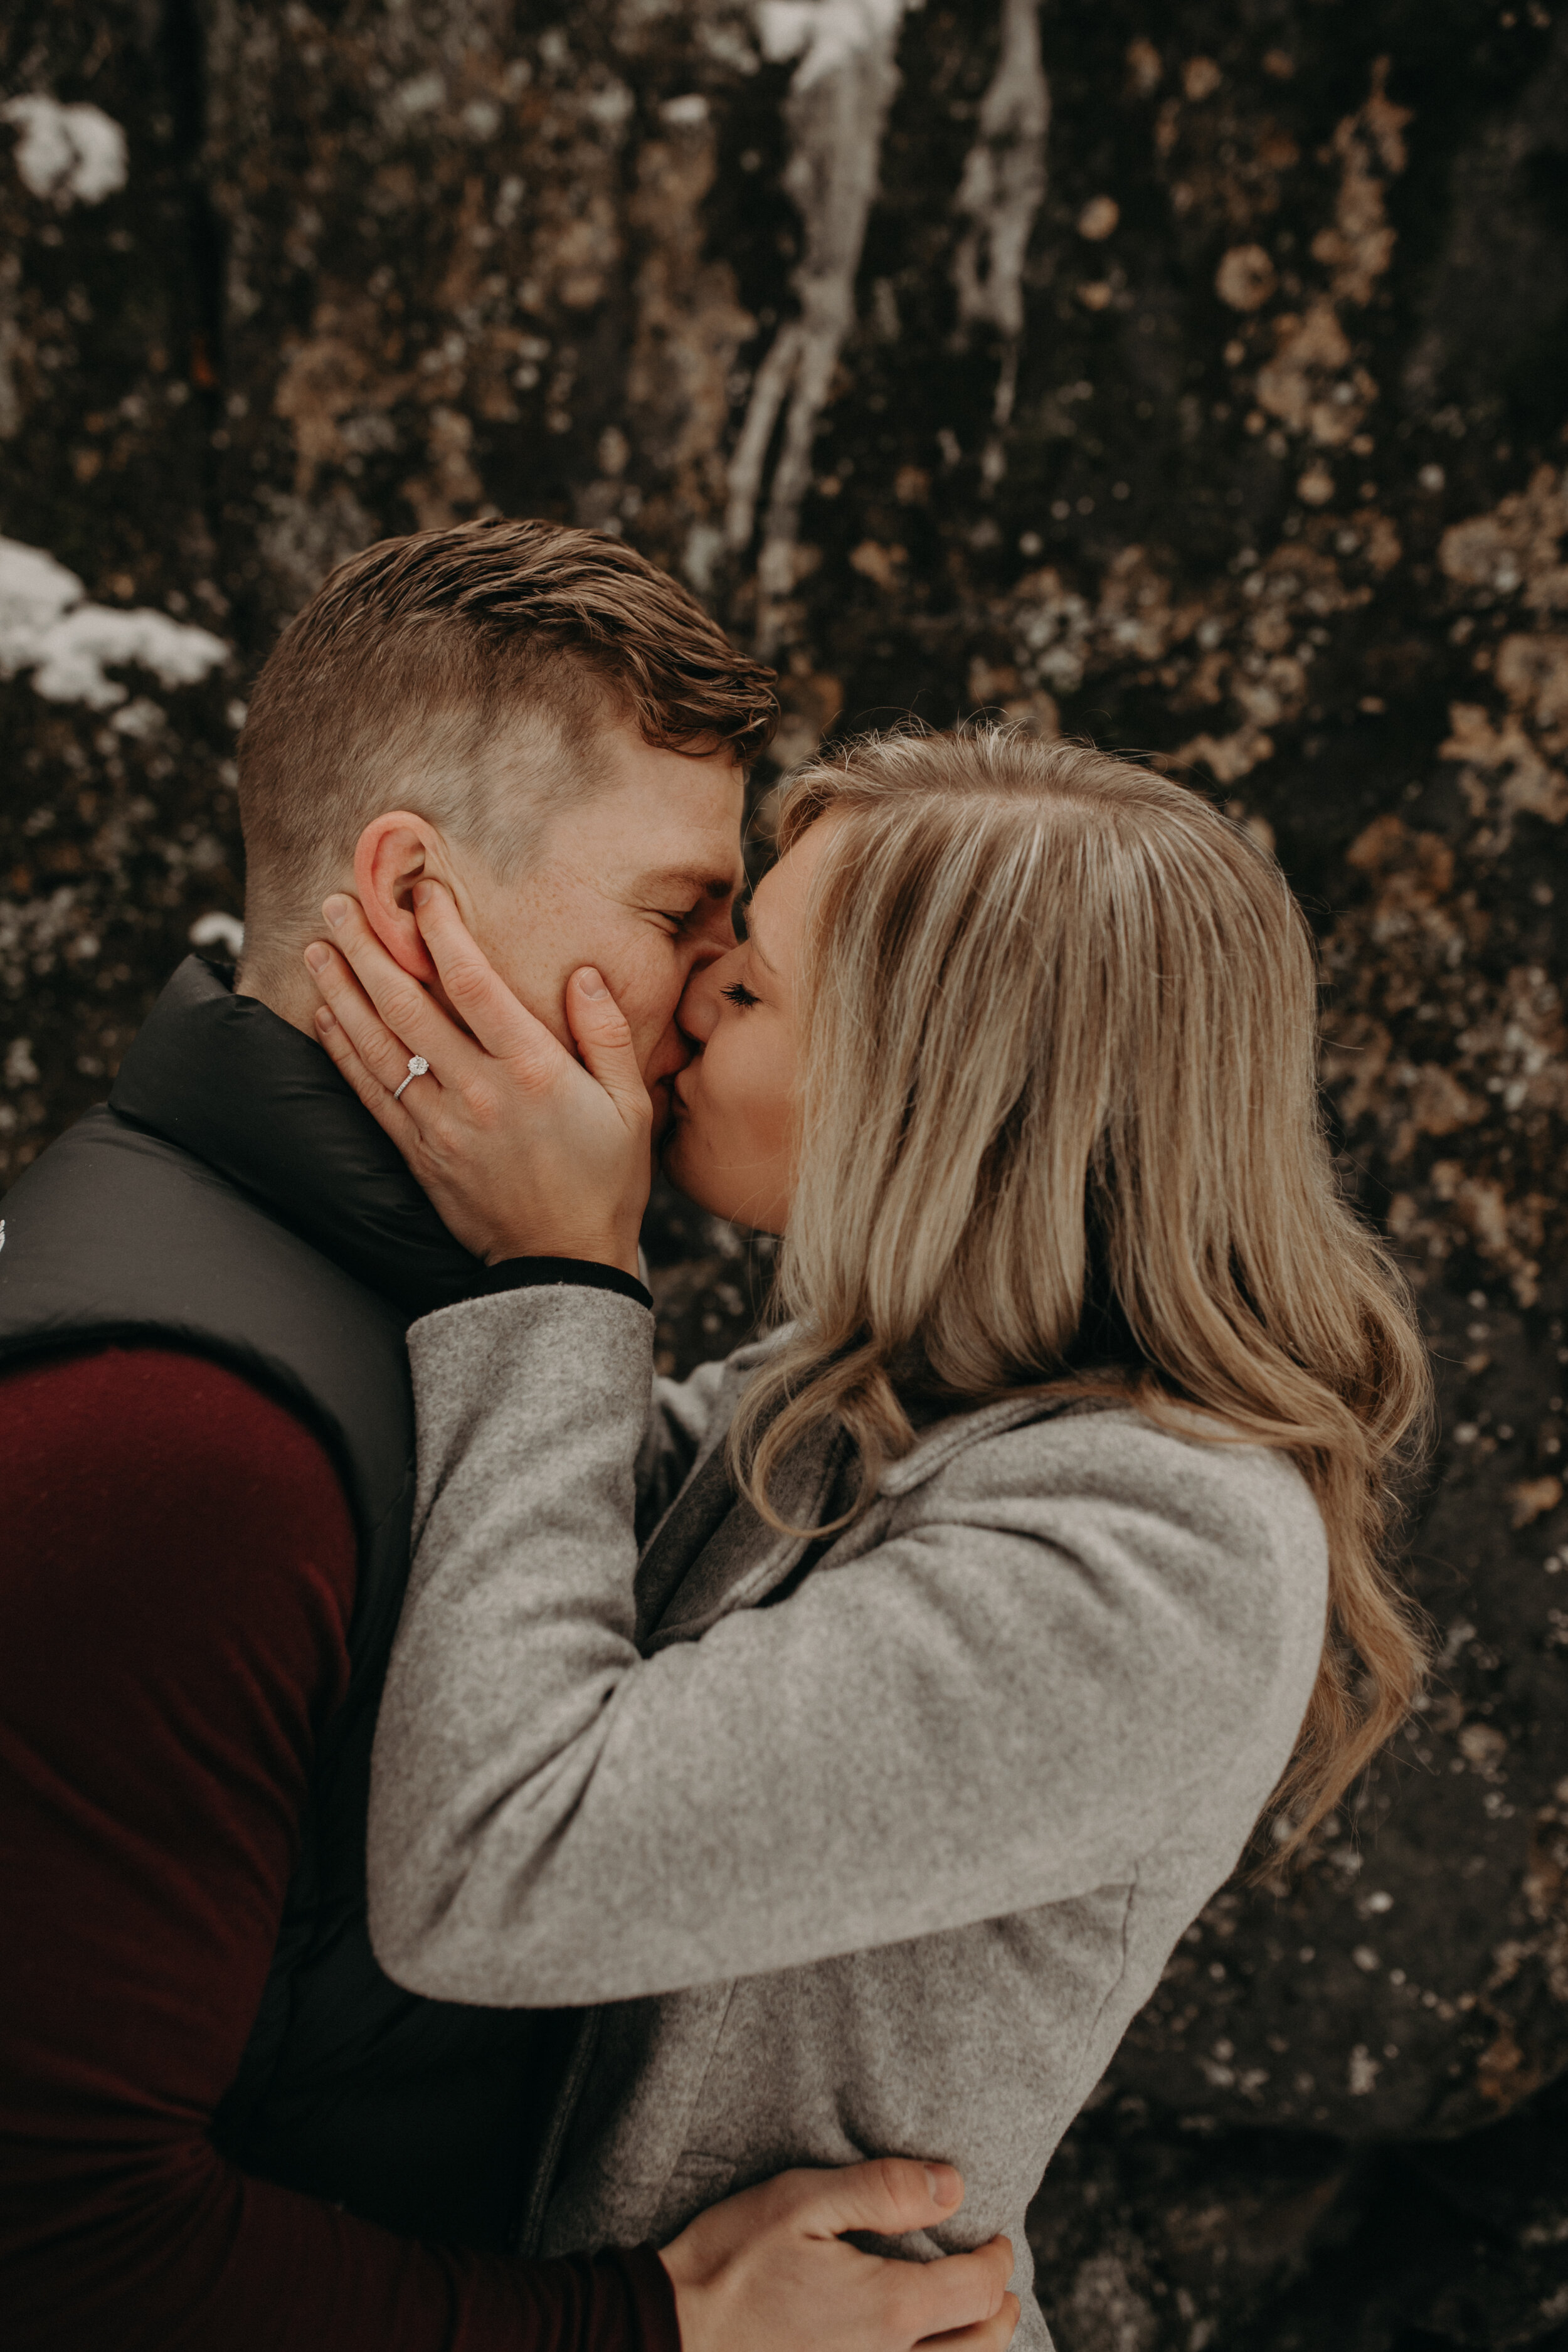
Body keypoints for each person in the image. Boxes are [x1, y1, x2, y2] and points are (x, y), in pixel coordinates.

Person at [0, 521, 1017, 2352]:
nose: (717, 991)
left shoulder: (416, 1294)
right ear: (409, 902)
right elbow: (52, 2245)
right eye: (671, 917)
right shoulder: (171, 1439)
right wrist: (656, 2332)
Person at [303, 725, 1434, 2349]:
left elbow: (499, 1859)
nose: (686, 998)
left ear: (936, 1095)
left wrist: (562, 1270)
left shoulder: (1160, 1561)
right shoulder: (875, 1388)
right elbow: (516, 1532)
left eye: (748, 987)